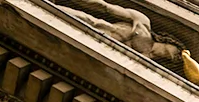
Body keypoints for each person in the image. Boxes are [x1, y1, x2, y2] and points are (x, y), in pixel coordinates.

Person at [53, 0, 182, 64]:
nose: (177, 57)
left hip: (93, 47)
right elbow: (106, 8)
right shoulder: (143, 24)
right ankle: (53, 7)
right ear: (169, 41)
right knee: (91, 21)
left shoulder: (146, 61)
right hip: (101, 28)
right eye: (177, 52)